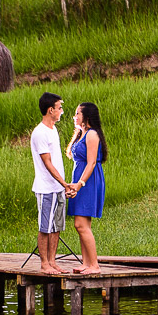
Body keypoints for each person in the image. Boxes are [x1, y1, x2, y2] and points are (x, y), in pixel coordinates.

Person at [30, 92, 74, 274]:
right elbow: (47, 163)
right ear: (50, 110)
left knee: (56, 227)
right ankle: (44, 264)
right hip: (46, 188)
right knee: (45, 227)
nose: (62, 111)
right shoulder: (39, 133)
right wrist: (65, 183)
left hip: (58, 188)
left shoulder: (53, 130)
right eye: (59, 108)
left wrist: (63, 186)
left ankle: (53, 261)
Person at [65, 102, 108, 274]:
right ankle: (86, 263)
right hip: (80, 180)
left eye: (77, 114)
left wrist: (80, 183)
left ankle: (94, 265)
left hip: (88, 181)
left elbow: (91, 163)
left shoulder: (92, 135)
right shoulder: (81, 134)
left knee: (81, 224)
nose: (74, 117)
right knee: (82, 224)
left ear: (86, 117)